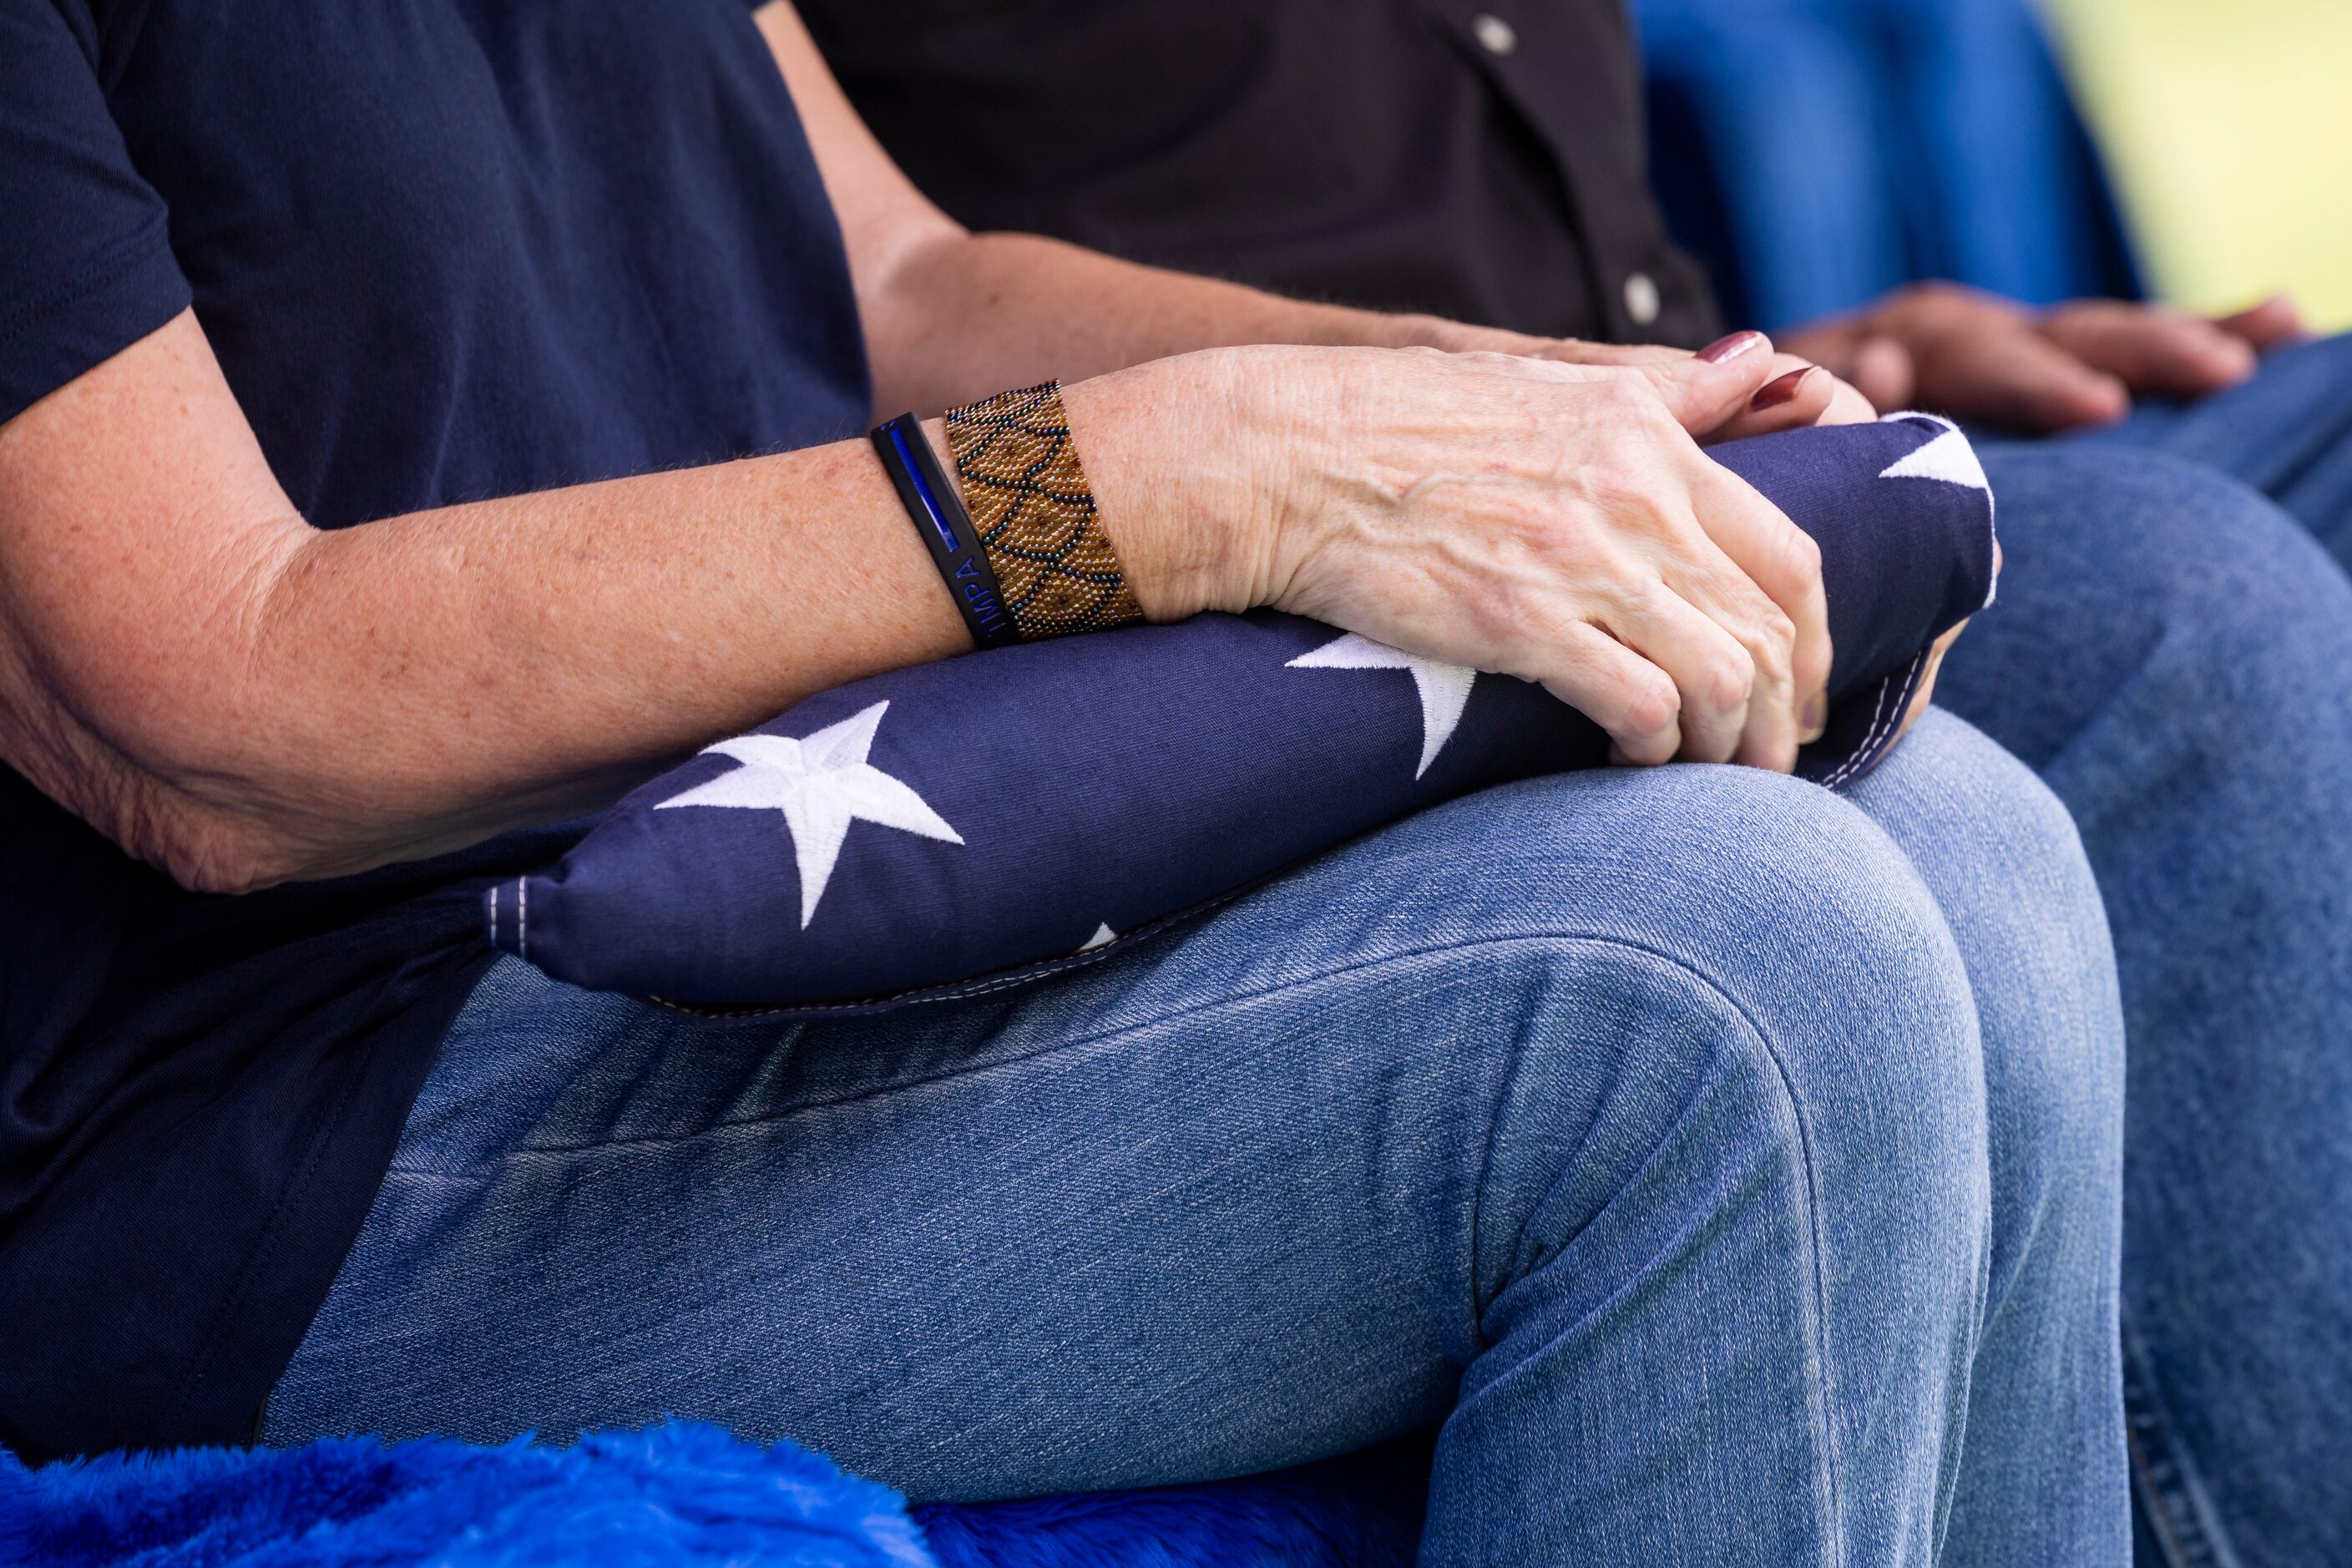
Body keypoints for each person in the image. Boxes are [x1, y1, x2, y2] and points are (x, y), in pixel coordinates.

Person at [0, 2, 2136, 1563]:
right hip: (294, 1105)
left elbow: (897, 279)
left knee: (1962, 833)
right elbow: (209, 709)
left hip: (810, 869)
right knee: (1734, 989)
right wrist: (1184, 482)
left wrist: (1532, 414)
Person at [790, 5, 2352, 1564]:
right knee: (2085, 708)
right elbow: (852, 295)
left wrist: (1706, 376)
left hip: (1595, 421)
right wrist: (1320, 449)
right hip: (1262, 574)